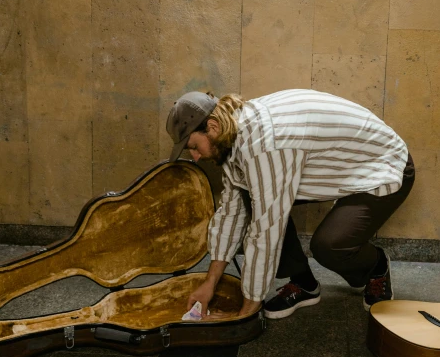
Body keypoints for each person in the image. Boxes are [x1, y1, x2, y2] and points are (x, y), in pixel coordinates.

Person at [166, 89, 415, 320]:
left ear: (212, 127)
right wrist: (210, 283)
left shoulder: (265, 143)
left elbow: (266, 228)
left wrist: (248, 310)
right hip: (338, 167)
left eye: (194, 148)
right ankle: (304, 284)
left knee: (329, 246)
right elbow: (231, 213)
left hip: (384, 167)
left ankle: (377, 266)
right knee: (250, 198)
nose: (196, 157)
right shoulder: (231, 135)